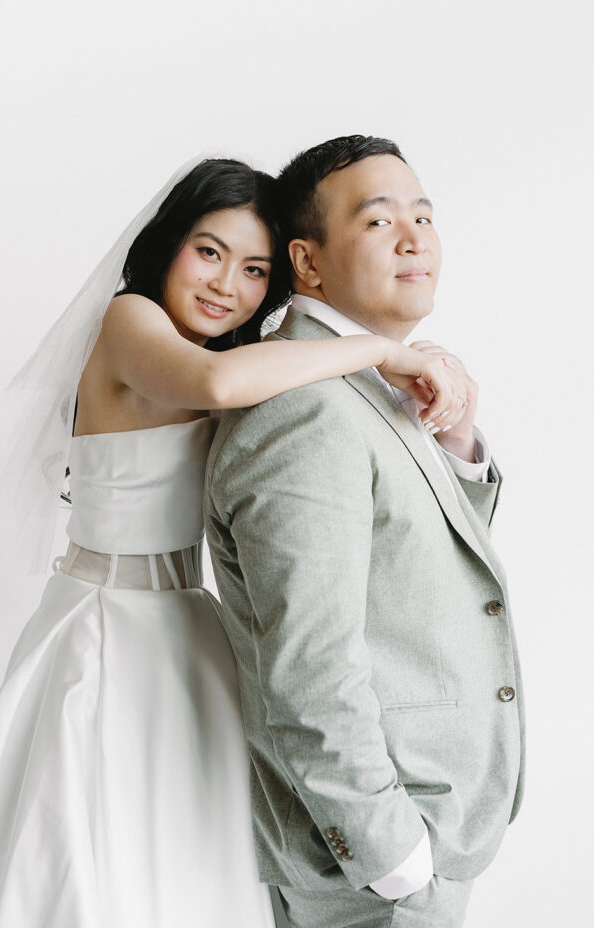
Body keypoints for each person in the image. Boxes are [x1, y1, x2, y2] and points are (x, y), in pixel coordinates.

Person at [0, 155, 469, 928]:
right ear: (168, 244)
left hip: (189, 622)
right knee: (87, 843)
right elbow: (212, 387)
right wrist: (382, 351)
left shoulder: (247, 362)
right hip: (104, 621)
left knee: (194, 845)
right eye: (208, 252)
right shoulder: (130, 321)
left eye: (253, 270)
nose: (225, 285)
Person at [205, 136, 524, 928]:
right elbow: (307, 661)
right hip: (368, 864)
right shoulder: (303, 406)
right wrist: (389, 858)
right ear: (307, 265)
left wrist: (452, 445)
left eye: (423, 215)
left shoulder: (361, 383)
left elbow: (414, 569)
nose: (416, 238)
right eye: (380, 221)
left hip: (420, 837)